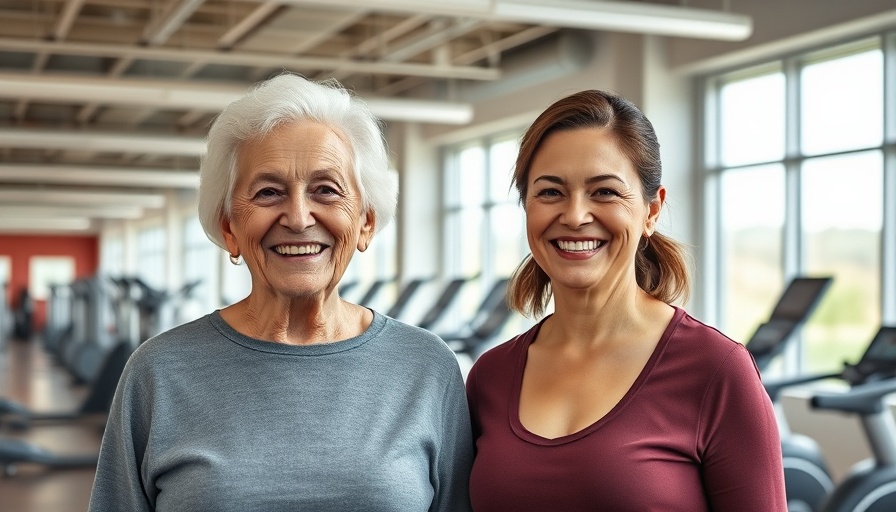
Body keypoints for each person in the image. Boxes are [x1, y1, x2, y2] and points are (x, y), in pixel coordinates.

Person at [89, 73, 473, 512]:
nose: (297, 216)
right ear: (230, 228)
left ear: (365, 221)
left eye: (326, 190)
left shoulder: (427, 367)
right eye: (268, 192)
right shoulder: (157, 372)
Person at [465, 90, 787, 511]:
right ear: (526, 206)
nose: (576, 215)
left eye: (604, 192)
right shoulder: (491, 376)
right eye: (550, 192)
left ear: (652, 211)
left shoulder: (716, 370)